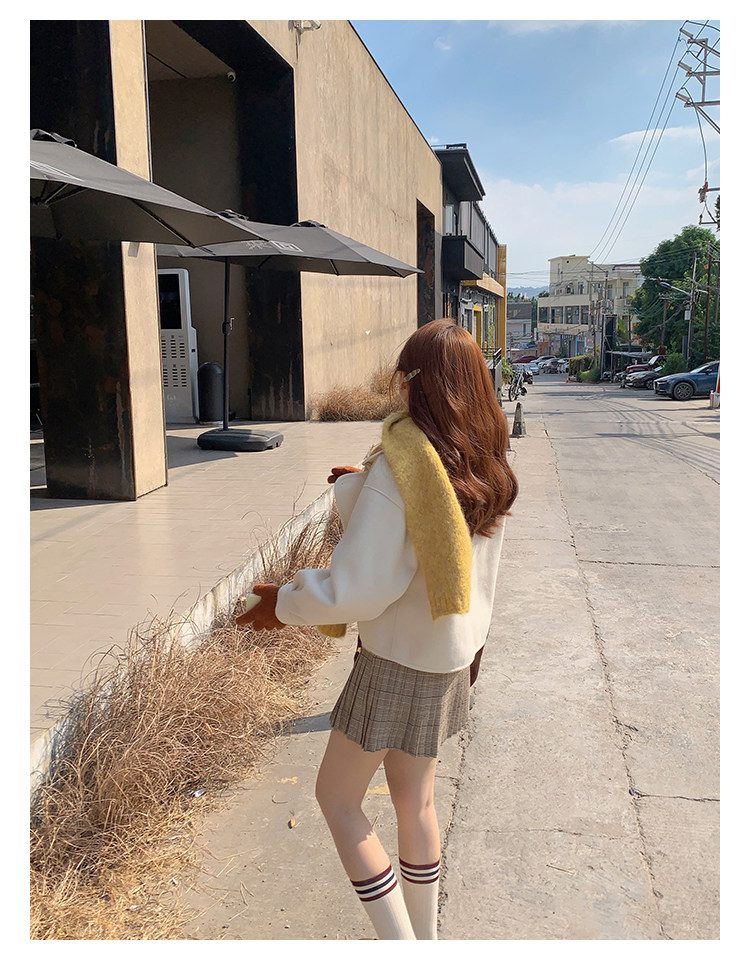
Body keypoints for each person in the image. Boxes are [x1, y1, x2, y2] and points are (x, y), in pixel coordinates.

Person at [236, 318, 518, 939]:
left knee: (337, 800)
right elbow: (426, 528)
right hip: (451, 656)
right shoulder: (483, 458)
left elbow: (359, 586)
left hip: (396, 662)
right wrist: (363, 487)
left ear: (415, 382)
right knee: (416, 803)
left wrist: (283, 605)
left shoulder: (405, 462)